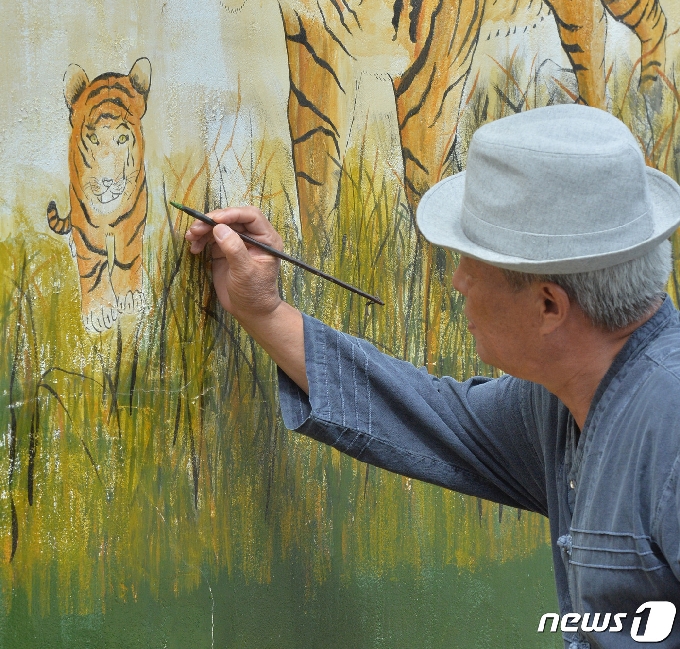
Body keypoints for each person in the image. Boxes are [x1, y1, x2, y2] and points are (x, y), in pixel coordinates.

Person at [186, 104, 680, 648]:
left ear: (548, 306)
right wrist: (263, 311)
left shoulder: (670, 427)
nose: (459, 282)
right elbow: (428, 415)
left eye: (473, 262)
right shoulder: (571, 398)